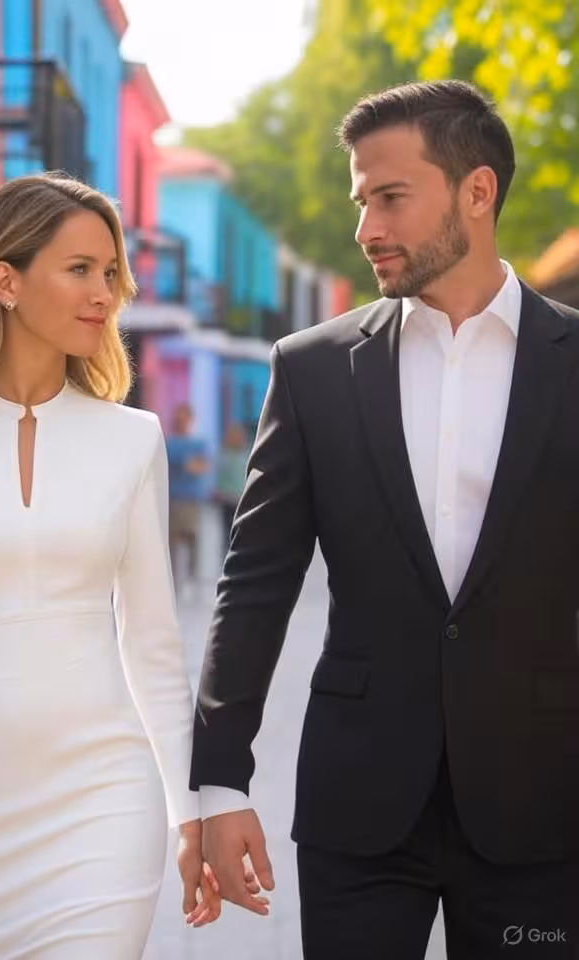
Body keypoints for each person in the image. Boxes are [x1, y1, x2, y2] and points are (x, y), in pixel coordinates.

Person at [190, 80, 579, 959]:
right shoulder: (313, 369)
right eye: (363, 200)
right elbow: (254, 583)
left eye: (391, 197)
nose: (366, 228)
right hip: (359, 814)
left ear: (478, 192)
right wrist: (218, 782)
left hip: (545, 815)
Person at [0, 172, 220, 960]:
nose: (106, 293)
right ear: (6, 280)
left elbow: (153, 645)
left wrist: (184, 811)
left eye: (111, 272)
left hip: (105, 792)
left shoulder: (136, 440)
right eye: (81, 269)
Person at [165, 403, 209, 594]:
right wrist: (188, 464)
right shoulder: (169, 443)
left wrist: (187, 464)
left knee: (193, 540)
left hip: (192, 499)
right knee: (173, 542)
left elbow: (202, 467)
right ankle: (174, 580)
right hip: (174, 499)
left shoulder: (198, 443)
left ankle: (191, 578)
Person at [214, 422, 250, 558]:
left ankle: (240, 558)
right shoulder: (224, 456)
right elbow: (219, 478)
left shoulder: (246, 455)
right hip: (227, 500)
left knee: (241, 532)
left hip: (241, 500)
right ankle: (227, 559)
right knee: (226, 532)